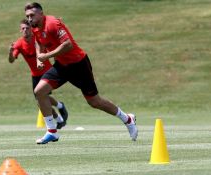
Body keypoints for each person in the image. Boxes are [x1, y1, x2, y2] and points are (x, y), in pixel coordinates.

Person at [24, 2, 138, 144]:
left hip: (79, 64)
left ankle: (127, 119)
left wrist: (46, 56)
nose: (29, 18)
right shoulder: (35, 28)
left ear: (41, 13)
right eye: (27, 16)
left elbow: (68, 45)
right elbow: (38, 43)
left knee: (94, 101)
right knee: (39, 91)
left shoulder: (52, 23)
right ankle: (52, 131)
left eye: (32, 15)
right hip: (62, 66)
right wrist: (39, 56)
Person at [8, 19, 68, 129]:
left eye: (27, 28)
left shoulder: (38, 39)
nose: (25, 30)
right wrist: (10, 52)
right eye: (23, 28)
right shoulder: (19, 43)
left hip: (47, 71)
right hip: (35, 75)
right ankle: (59, 117)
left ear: (31, 29)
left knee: (43, 98)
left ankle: (59, 110)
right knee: (40, 102)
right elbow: (11, 60)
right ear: (20, 30)